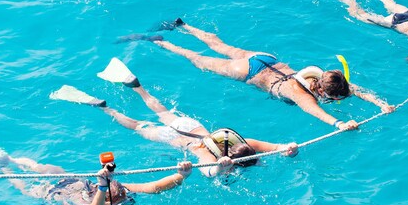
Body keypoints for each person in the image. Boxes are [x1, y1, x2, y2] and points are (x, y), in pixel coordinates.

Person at [49, 58, 299, 181]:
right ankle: (105, 108)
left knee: (162, 111)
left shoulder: (245, 143)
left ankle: (137, 87)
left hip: (190, 126)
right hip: (177, 139)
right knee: (138, 125)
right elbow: (210, 172)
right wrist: (220, 168)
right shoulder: (209, 156)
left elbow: (277, 147)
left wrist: (288, 149)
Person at [117, 20, 394, 130]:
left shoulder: (324, 76)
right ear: (322, 91)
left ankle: (182, 25)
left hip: (267, 58)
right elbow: (316, 112)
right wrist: (339, 123)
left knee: (222, 45)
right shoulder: (300, 94)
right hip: (251, 72)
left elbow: (354, 89)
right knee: (198, 60)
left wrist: (381, 104)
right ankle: (159, 41)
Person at [0, 148, 192, 205]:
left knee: (39, 168)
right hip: (56, 190)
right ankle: (7, 166)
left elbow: (154, 187)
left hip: (72, 182)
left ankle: (8, 162)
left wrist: (181, 175)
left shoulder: (119, 192)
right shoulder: (96, 203)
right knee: (25, 189)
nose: (126, 196)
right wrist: (102, 186)